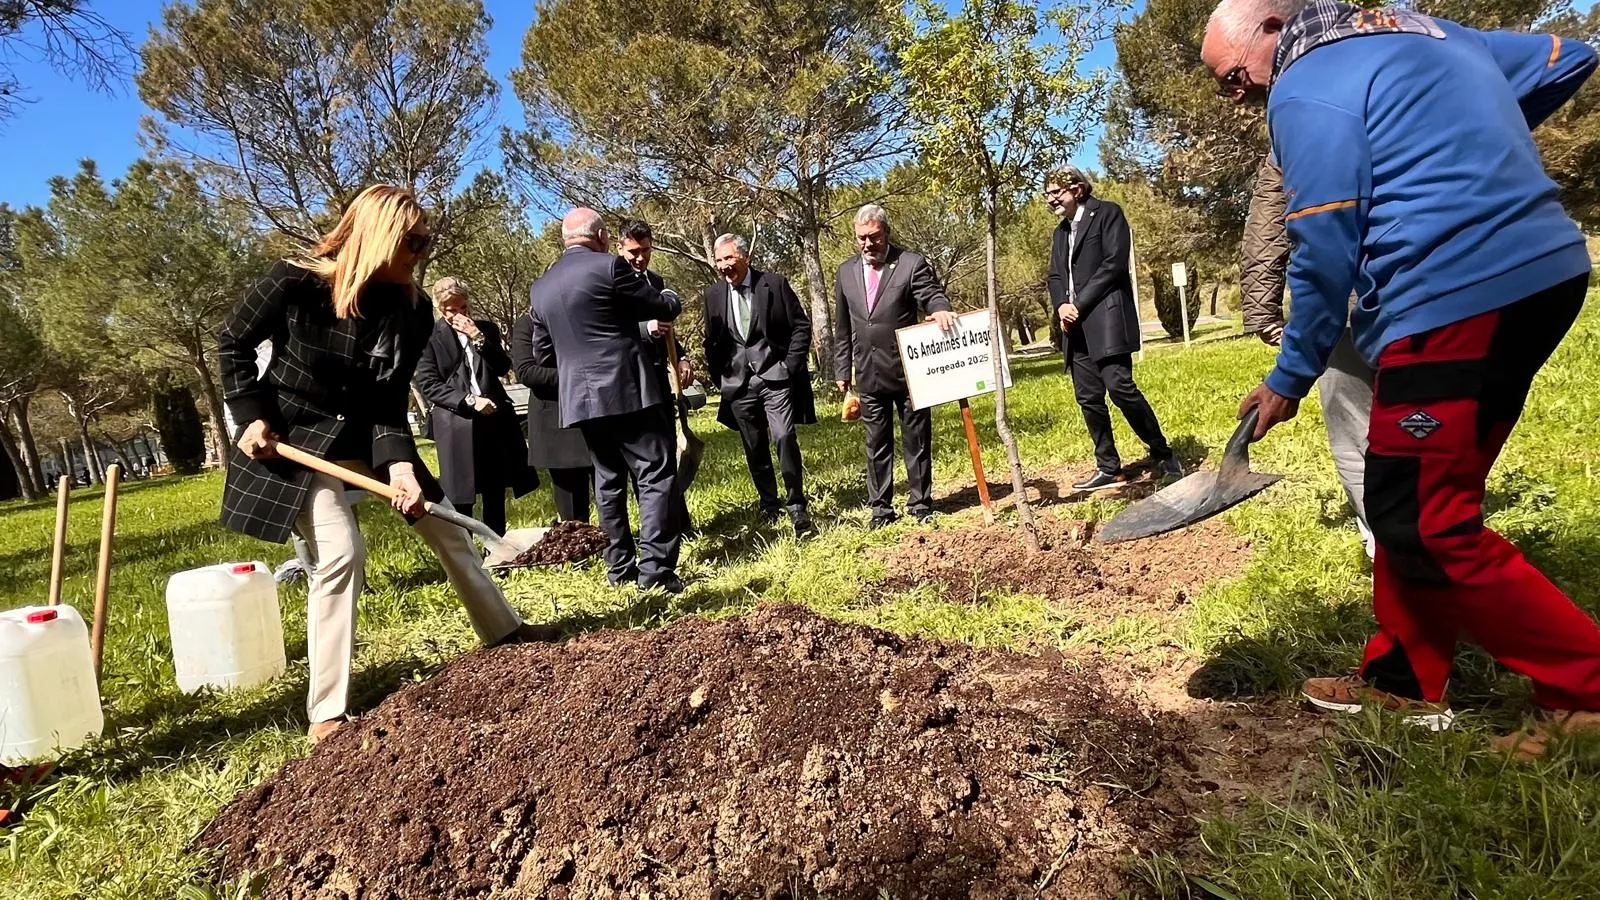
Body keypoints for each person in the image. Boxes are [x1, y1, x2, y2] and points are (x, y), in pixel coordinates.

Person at [1203, 0, 1600, 756]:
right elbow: (1569, 56)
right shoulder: (1430, 33)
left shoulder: (1304, 83)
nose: (1239, 94)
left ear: (1273, 29)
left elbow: (1321, 249)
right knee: (1406, 492)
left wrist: (1291, 373)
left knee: (1426, 520)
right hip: (1543, 274)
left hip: (1454, 292)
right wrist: (1467, 140)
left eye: (1232, 76)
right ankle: (1401, 681)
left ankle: (1585, 689)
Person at [217, 184, 553, 745]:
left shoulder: (412, 307)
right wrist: (249, 414)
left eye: (427, 241)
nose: (422, 252)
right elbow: (232, 341)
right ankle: (327, 711)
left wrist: (399, 466)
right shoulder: (296, 281)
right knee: (342, 554)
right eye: (413, 241)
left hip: (371, 437)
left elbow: (389, 396)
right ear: (380, 237)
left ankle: (505, 634)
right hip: (293, 440)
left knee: (447, 531)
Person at [528, 208, 685, 593]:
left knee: (608, 482)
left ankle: (618, 568)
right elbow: (660, 306)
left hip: (581, 401)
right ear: (600, 237)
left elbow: (542, 352)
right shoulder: (609, 268)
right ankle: (656, 571)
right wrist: (669, 296)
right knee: (655, 475)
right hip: (627, 390)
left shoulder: (541, 288)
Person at [1242, 155, 1375, 558]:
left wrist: (1265, 313)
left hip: (1346, 305)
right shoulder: (1399, 103)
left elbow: (1277, 227)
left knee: (1356, 431)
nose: (1228, 87)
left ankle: (1388, 537)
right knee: (1425, 425)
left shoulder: (1296, 121)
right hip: (1425, 293)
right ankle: (1427, 531)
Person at [1045, 166, 1183, 491]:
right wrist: (1061, 306)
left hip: (1105, 319)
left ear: (1077, 189)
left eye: (1056, 192)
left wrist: (1078, 303)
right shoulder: (1059, 233)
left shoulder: (1108, 214)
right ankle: (1109, 467)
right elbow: (1054, 276)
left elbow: (1113, 265)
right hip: (1073, 328)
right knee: (1088, 398)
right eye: (1047, 194)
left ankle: (1163, 455)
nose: (1050, 200)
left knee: (1120, 388)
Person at [833, 204, 957, 528]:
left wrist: (940, 309)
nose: (867, 244)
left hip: (909, 373)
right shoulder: (845, 273)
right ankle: (881, 510)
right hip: (868, 373)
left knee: (916, 439)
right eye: (861, 238)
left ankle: (920, 504)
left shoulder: (909, 263)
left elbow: (931, 294)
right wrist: (842, 370)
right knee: (876, 443)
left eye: (873, 236)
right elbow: (843, 326)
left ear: (885, 232)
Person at [704, 233, 817, 533]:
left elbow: (801, 327)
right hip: (738, 385)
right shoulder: (713, 295)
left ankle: (796, 504)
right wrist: (722, 378)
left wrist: (789, 367)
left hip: (775, 378)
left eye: (729, 258)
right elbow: (711, 343)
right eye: (719, 260)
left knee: (783, 437)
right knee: (754, 448)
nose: (724, 265)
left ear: (745, 257)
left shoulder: (774, 284)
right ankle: (769, 504)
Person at [414, 276, 537, 537]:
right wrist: (469, 401)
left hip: (493, 419)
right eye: (451, 310)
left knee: (494, 487)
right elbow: (429, 384)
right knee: (460, 493)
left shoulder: (486, 330)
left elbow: (503, 367)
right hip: (455, 422)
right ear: (439, 308)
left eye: (462, 307)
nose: (458, 314)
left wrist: (477, 337)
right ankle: (467, 552)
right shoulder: (428, 338)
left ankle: (497, 544)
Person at [618, 219, 696, 533]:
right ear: (619, 248)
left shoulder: (655, 280)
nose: (640, 258)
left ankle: (680, 523)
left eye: (646, 250)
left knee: (666, 451)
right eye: (634, 251)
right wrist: (644, 330)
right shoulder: (613, 280)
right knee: (644, 459)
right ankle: (656, 529)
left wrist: (682, 355)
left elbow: (665, 325)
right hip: (628, 381)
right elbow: (609, 328)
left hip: (657, 380)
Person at [510, 309, 595, 523]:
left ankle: (615, 545)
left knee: (609, 490)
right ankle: (578, 550)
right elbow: (526, 371)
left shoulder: (584, 315)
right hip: (555, 419)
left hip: (594, 413)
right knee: (570, 499)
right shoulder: (528, 324)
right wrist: (577, 375)